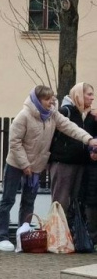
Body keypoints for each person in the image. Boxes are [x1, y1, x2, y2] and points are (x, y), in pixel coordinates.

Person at [0, 85, 97, 251]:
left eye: (52, 99)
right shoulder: (24, 116)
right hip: (16, 164)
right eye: (47, 99)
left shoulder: (52, 115)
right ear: (38, 100)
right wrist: (25, 165)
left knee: (28, 202)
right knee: (8, 199)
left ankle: (24, 237)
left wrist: (88, 139)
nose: (51, 102)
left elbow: (70, 127)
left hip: (35, 165)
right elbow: (14, 142)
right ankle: (1, 237)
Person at [48, 82, 94, 211]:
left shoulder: (86, 114)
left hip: (80, 163)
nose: (92, 98)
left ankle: (70, 230)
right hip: (63, 162)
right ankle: (57, 229)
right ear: (79, 95)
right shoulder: (65, 111)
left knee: (74, 202)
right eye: (89, 94)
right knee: (60, 201)